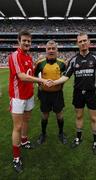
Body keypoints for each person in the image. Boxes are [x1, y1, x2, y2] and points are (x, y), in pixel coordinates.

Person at [47, 33, 96, 155]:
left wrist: (95, 82)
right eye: (80, 41)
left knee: (93, 118)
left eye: (85, 40)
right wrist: (54, 82)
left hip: (91, 93)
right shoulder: (74, 60)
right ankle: (78, 138)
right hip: (78, 93)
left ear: (89, 42)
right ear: (77, 43)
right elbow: (65, 76)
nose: (83, 43)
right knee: (79, 116)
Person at [8, 30, 45, 173]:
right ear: (19, 41)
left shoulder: (28, 57)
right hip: (18, 97)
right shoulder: (14, 55)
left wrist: (37, 63)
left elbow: (31, 73)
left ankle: (24, 141)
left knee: (26, 121)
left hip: (29, 95)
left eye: (29, 41)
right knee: (17, 126)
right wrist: (41, 80)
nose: (27, 43)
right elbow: (22, 77)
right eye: (24, 40)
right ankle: (16, 158)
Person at [34, 40, 67, 145]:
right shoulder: (40, 63)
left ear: (57, 50)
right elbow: (35, 77)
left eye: (53, 48)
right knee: (44, 115)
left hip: (57, 94)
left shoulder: (62, 63)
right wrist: (40, 87)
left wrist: (59, 85)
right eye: (49, 48)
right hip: (44, 94)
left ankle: (61, 133)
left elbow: (65, 77)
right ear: (46, 50)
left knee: (60, 115)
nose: (51, 50)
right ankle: (43, 134)